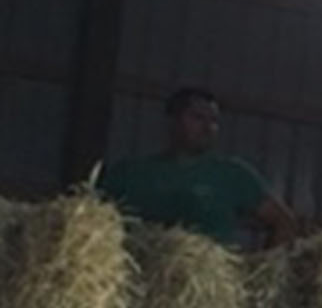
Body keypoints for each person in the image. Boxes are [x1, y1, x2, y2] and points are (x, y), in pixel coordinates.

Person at [99, 87, 297, 249]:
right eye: (198, 118)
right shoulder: (130, 173)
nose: (208, 128)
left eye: (214, 121)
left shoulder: (232, 174)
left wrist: (261, 273)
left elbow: (283, 221)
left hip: (207, 287)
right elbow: (94, 220)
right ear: (173, 121)